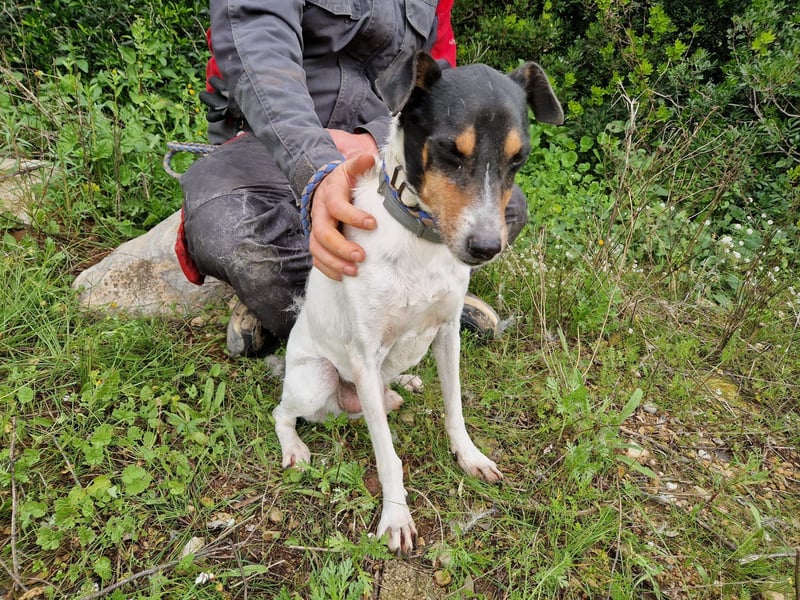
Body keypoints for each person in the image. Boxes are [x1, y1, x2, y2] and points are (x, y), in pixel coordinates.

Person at [176, 0, 529, 357]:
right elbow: (260, 55)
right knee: (230, 223)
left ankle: (408, 298)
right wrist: (317, 165)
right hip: (272, 143)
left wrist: (373, 139)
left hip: (380, 144)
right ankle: (406, 307)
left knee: (507, 208)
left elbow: (441, 87)